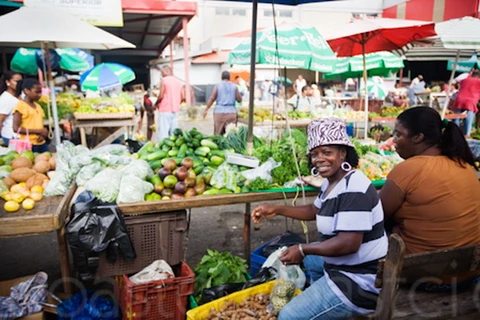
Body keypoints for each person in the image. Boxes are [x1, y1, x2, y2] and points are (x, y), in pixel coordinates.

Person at [252, 118, 388, 319]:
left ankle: (320, 306)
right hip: (345, 267)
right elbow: (314, 210)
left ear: (343, 153)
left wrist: (301, 249)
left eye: (327, 152)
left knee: (288, 316)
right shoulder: (331, 183)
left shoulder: (354, 186)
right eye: (315, 154)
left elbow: (349, 243)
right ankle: (321, 307)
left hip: (361, 282)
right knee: (312, 262)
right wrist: (277, 209)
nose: (319, 159)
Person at [379, 107, 479, 282]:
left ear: (418, 138)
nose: (394, 141)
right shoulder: (464, 165)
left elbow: (376, 215)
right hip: (470, 272)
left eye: (398, 135)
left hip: (424, 275)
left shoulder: (408, 169)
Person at [13, 79, 49, 153]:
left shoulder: (38, 106)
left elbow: (40, 124)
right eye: (37, 92)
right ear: (26, 91)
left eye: (40, 92)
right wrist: (38, 131)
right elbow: (16, 128)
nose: (40, 95)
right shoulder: (20, 106)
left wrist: (42, 135)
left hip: (40, 142)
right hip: (27, 144)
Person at [203, 71, 241, 135]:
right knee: (231, 135)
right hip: (231, 113)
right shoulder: (234, 86)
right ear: (229, 78)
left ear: (221, 78)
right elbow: (239, 99)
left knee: (218, 134)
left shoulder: (217, 86)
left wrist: (206, 109)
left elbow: (212, 98)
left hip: (219, 113)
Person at [154, 66, 184, 140]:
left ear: (164, 72)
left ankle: (161, 149)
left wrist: (156, 103)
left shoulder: (164, 80)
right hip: (175, 109)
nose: (161, 74)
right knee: (174, 133)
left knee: (163, 133)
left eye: (161, 73)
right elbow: (183, 97)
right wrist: (177, 103)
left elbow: (161, 95)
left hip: (165, 109)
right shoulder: (178, 81)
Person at [451, 70, 480, 136]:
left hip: (459, 100)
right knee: (468, 122)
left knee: (456, 119)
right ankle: (466, 136)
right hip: (471, 102)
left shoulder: (464, 80)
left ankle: (455, 135)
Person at [0, 71, 22, 146]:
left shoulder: (21, 95)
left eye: (21, 81)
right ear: (7, 82)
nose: (19, 84)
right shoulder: (6, 99)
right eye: (16, 81)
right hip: (12, 136)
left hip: (22, 134)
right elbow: (0, 119)